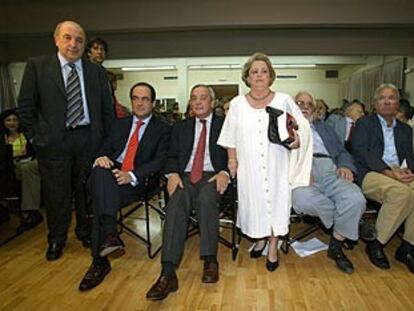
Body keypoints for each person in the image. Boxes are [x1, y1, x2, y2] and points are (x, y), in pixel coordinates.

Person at [18, 20, 115, 261]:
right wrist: (36, 137)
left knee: (86, 192)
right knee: (56, 194)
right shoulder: (37, 67)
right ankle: (56, 238)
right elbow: (26, 107)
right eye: (68, 38)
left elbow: (106, 111)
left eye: (79, 40)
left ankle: (85, 232)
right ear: (56, 40)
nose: (74, 44)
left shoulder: (96, 71)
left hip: (88, 141)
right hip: (53, 143)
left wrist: (105, 144)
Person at [217, 52, 312, 272]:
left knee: (276, 205)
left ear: (271, 76)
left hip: (277, 163)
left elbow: (303, 126)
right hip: (248, 167)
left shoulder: (284, 99)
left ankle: (272, 245)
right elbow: (230, 135)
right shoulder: (237, 104)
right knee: (255, 206)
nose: (259, 75)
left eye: (264, 71)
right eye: (254, 71)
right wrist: (232, 160)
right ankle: (259, 238)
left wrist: (297, 139)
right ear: (247, 77)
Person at [78, 82, 171, 291]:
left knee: (99, 202)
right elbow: (104, 149)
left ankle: (99, 261)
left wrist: (132, 175)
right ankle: (109, 234)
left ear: (153, 103)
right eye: (136, 98)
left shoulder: (163, 128)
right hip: (111, 177)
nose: (140, 103)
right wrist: (101, 157)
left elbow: (161, 160)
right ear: (131, 101)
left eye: (145, 99)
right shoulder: (118, 124)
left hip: (139, 182)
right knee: (99, 171)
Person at [146, 84, 229, 301]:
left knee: (206, 199)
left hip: (212, 175)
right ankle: (167, 272)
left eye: (203, 98)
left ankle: (210, 260)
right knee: (176, 202)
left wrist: (226, 172)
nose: (198, 102)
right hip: (184, 176)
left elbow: (237, 154)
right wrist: (171, 174)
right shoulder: (180, 127)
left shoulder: (226, 125)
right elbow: (171, 154)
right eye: (194, 98)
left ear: (212, 102)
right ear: (191, 103)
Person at [292, 91, 367, 274]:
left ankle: (336, 246)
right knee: (303, 200)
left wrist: (345, 166)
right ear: (292, 106)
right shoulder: (284, 128)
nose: (305, 107)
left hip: (330, 168)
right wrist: (300, 172)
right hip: (302, 171)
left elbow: (342, 152)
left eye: (309, 104)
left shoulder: (324, 128)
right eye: (300, 103)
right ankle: (352, 224)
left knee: (355, 198)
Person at [352, 83, 414, 273]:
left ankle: (407, 247)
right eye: (382, 98)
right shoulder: (364, 123)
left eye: (392, 98)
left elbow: (409, 157)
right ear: (375, 103)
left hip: (398, 171)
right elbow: (362, 153)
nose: (387, 102)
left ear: (398, 103)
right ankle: (376, 243)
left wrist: (410, 171)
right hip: (372, 172)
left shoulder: (405, 129)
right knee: (401, 193)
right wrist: (389, 172)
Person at [0, 109, 43, 230]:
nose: (12, 123)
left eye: (14, 120)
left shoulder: (26, 135)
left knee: (27, 168)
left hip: (28, 162)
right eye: (8, 120)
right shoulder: (2, 138)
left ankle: (30, 212)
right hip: (9, 165)